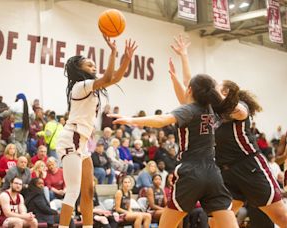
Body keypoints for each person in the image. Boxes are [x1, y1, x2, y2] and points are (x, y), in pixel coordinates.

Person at [171, 35, 287, 226]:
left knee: (281, 217)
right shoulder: (207, 110)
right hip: (224, 171)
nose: (213, 88)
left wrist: (220, 99)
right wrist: (184, 55)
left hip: (249, 166)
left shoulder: (238, 106)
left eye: (217, 86)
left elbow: (239, 111)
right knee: (217, 223)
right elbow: (189, 87)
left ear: (225, 92)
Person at [111, 75, 239, 227]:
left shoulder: (189, 109)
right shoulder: (213, 110)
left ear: (190, 90)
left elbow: (161, 120)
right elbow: (187, 97)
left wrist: (132, 120)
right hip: (213, 173)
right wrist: (177, 74)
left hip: (191, 171)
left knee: (166, 225)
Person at [55, 36, 137, 228]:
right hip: (71, 139)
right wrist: (113, 53)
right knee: (73, 190)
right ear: (78, 69)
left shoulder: (91, 88)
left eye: (94, 65)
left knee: (89, 190)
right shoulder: (80, 86)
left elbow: (115, 78)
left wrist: (126, 58)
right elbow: (109, 77)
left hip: (81, 143)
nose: (93, 67)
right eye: (89, 65)